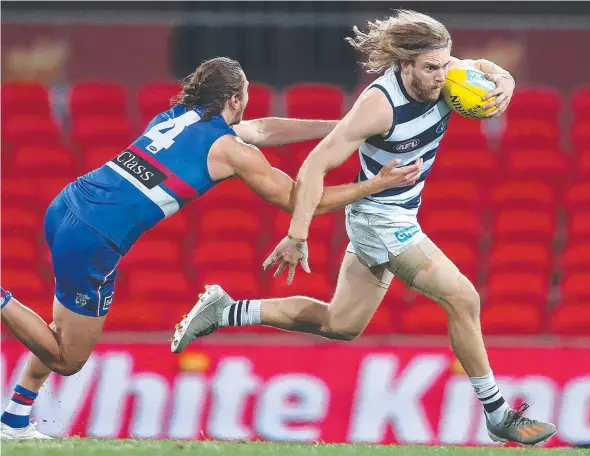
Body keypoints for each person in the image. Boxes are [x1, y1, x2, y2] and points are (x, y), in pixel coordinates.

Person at [172, 12, 557, 446]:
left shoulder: (446, 73)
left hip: (399, 213)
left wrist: (504, 81)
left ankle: (225, 311)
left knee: (341, 324)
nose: (441, 76)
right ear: (404, 65)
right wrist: (297, 235)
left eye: (446, 65)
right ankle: (497, 412)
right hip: (379, 216)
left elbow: (485, 69)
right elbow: (315, 164)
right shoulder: (379, 105)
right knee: (463, 297)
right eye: (431, 68)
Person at [0, 57, 422, 440]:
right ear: (235, 99)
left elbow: (262, 129)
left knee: (62, 331)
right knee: (67, 358)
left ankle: (14, 420)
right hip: (94, 239)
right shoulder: (229, 151)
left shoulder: (179, 118)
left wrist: (341, 128)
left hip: (67, 206)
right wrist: (377, 184)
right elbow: (303, 200)